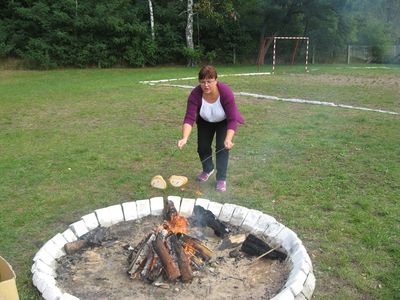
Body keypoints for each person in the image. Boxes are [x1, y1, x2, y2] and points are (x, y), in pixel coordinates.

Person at [177, 65, 244, 192]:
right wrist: (184, 138)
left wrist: (228, 139)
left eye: (209, 81)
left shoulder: (225, 92)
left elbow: (232, 119)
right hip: (205, 121)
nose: (206, 85)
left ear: (216, 80)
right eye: (202, 82)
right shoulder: (195, 94)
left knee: (222, 147)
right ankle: (208, 169)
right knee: (202, 147)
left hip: (223, 121)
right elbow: (189, 118)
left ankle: (221, 179)